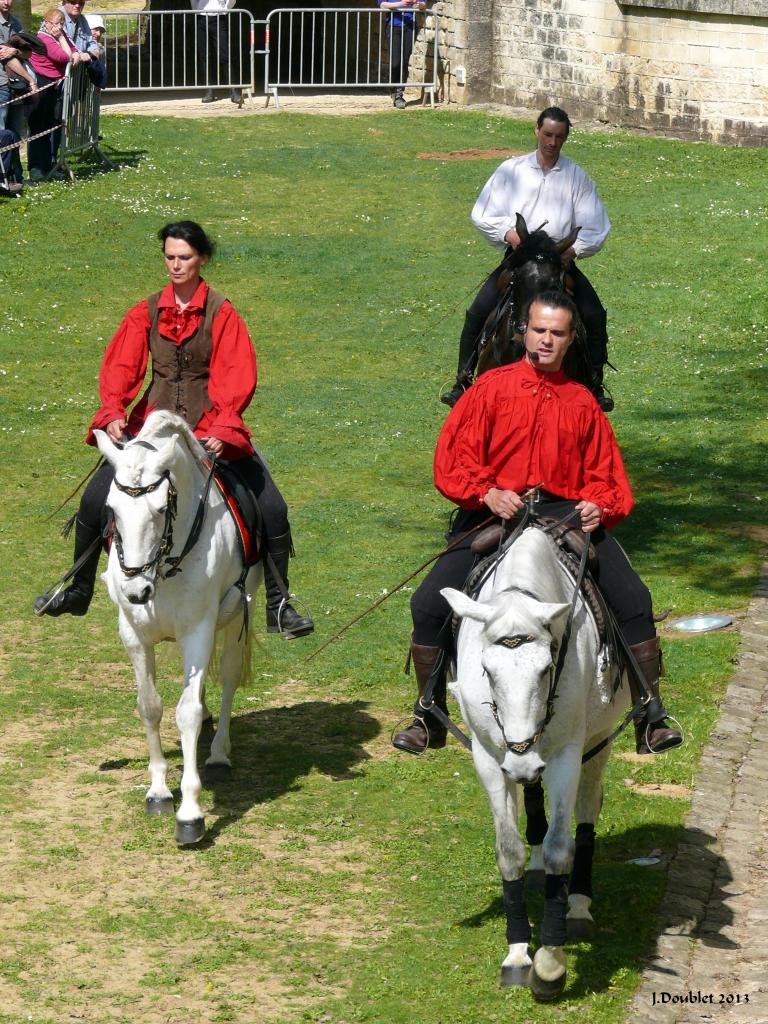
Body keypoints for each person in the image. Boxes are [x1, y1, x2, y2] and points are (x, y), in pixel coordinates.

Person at [394, 292, 681, 757]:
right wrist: (486, 492)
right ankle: (428, 714)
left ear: (570, 340)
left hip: (566, 514)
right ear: (523, 332)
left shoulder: (583, 403)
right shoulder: (489, 389)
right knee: (427, 604)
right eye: (539, 330)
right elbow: (454, 460)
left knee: (634, 599)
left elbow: (607, 476)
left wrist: (599, 506)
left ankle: (650, 714)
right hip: (493, 513)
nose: (546, 340)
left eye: (557, 333)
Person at [35, 220, 315, 640]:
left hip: (209, 429)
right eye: (170, 257)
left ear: (202, 258)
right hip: (151, 432)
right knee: (95, 498)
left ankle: (278, 604)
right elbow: (122, 365)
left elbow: (236, 373)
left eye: (184, 257)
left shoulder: (222, 313)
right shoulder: (146, 311)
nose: (176, 265)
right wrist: (113, 411)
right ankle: (79, 588)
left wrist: (224, 426)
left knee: (271, 506)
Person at [441, 106, 614, 412]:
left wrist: (571, 251)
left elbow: (596, 226)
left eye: (559, 137)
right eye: (547, 134)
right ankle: (463, 381)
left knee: (594, 313)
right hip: (519, 260)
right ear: (536, 130)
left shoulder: (577, 177)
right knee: (478, 310)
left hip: (557, 262)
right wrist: (509, 234)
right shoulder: (511, 171)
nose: (552, 142)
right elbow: (482, 213)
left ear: (566, 138)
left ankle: (595, 385)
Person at [26, 9, 82, 180]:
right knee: (38, 128)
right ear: (47, 23)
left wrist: (74, 51)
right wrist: (62, 39)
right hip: (42, 85)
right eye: (56, 24)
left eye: (62, 24)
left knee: (50, 127)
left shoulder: (57, 36)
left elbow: (74, 49)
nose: (59, 27)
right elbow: (65, 57)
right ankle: (36, 168)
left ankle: (49, 165)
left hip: (54, 87)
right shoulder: (44, 39)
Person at [377, 0, 425, 109]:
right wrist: (400, 4)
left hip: (410, 27)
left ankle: (399, 94)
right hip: (393, 26)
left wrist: (419, 5)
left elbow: (423, 4)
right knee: (395, 63)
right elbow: (382, 5)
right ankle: (393, 89)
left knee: (404, 61)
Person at [191, 0, 240, 104]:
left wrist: (225, 10)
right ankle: (209, 91)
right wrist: (196, 10)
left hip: (218, 17)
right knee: (204, 56)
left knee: (224, 55)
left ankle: (233, 91)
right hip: (201, 18)